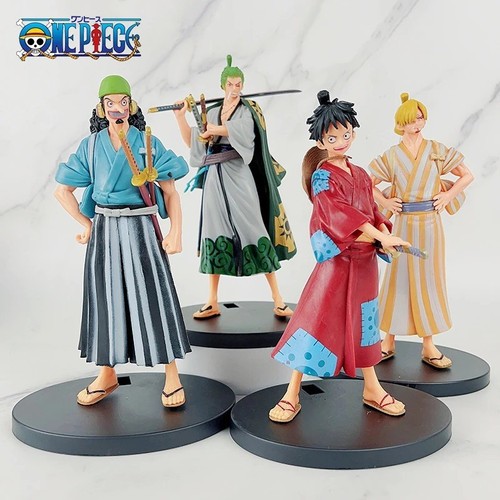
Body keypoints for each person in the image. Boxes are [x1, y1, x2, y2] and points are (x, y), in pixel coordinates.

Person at [269, 90, 409, 423]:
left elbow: (372, 211)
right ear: (320, 142)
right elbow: (339, 216)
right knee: (316, 320)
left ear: (353, 133)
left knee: (366, 325)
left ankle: (372, 388)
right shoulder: (322, 177)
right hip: (337, 261)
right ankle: (291, 393)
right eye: (332, 138)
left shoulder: (360, 173)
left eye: (346, 134)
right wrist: (381, 235)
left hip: (365, 263)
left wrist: (382, 235)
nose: (341, 142)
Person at [54, 75, 191, 407]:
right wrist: (86, 224)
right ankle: (107, 373)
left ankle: (171, 373)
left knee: (154, 296)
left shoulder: (147, 142)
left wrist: (175, 231)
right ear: (101, 108)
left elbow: (170, 190)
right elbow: (62, 190)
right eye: (111, 103)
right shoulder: (90, 146)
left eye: (123, 102)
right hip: (104, 230)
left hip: (141, 226)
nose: (117, 108)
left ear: (132, 105)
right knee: (106, 300)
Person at [173, 55, 296, 319]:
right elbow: (194, 143)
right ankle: (212, 300)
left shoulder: (247, 111)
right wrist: (181, 117)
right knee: (213, 231)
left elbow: (245, 133)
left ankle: (278, 298)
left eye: (239, 84)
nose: (235, 88)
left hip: (239, 174)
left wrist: (213, 129)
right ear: (223, 85)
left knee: (254, 227)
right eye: (230, 84)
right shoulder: (212, 111)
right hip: (215, 178)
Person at [370, 93, 473, 368]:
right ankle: (388, 340)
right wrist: (385, 202)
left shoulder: (437, 150)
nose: (417, 124)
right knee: (398, 278)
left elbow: (467, 175)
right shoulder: (392, 156)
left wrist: (448, 196)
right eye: (411, 120)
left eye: (420, 118)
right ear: (400, 124)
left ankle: (428, 344)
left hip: (430, 224)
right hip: (403, 224)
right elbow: (368, 183)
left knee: (429, 279)